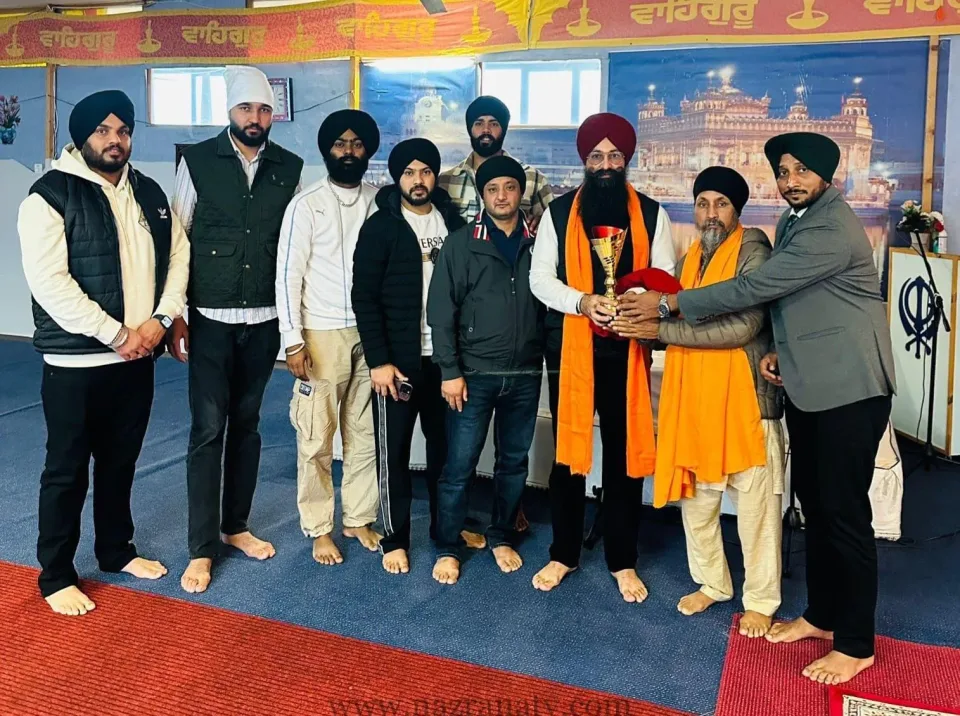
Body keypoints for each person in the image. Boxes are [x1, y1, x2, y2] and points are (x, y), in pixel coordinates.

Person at [625, 132, 896, 685]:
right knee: (816, 508)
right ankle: (822, 616)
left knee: (844, 517)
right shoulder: (797, 221)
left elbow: (761, 288)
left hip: (851, 388)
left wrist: (668, 306)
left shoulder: (830, 226)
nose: (791, 180)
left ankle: (855, 644)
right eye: (784, 170)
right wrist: (779, 351)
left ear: (827, 175)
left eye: (802, 171)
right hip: (809, 384)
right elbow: (798, 304)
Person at [18, 90, 190, 615]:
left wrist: (162, 320)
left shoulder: (148, 192)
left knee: (120, 463)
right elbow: (51, 284)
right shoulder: (49, 196)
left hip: (136, 360)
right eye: (103, 130)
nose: (115, 141)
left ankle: (116, 550)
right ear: (81, 136)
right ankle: (56, 575)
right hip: (77, 364)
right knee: (67, 469)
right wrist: (117, 334)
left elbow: (178, 257)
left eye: (123, 131)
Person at [613, 166, 785, 638]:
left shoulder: (754, 249)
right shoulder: (691, 258)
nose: (711, 213)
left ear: (737, 210)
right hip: (694, 402)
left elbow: (743, 326)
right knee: (698, 501)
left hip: (746, 402)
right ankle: (713, 582)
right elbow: (677, 319)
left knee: (756, 510)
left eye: (721, 204)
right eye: (703, 204)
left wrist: (660, 328)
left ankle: (761, 600)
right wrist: (634, 323)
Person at [528, 112, 677, 602]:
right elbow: (539, 278)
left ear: (627, 159)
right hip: (573, 348)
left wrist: (631, 303)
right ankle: (563, 553)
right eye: (597, 156)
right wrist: (583, 302)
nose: (607, 165)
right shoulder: (558, 213)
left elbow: (664, 278)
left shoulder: (653, 214)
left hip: (628, 350)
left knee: (623, 454)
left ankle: (622, 560)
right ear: (585, 161)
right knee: (567, 454)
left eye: (615, 156)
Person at [170, 66, 304, 594]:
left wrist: (294, 324)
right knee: (208, 431)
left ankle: (236, 527)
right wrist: (175, 313)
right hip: (209, 320)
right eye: (247, 108)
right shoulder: (198, 162)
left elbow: (295, 248)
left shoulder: (289, 168)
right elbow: (178, 240)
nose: (255, 118)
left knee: (248, 427)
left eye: (264, 109)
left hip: (264, 322)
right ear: (230, 111)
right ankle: (201, 549)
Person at [352, 138, 484, 575]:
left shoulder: (454, 223)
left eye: (425, 171)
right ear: (397, 178)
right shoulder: (381, 227)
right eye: (409, 173)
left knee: (447, 455)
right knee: (394, 455)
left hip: (446, 362)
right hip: (398, 364)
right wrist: (379, 361)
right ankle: (394, 538)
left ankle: (448, 531)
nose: (418, 180)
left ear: (434, 175)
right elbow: (364, 298)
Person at [427, 156, 544, 585]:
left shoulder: (539, 244)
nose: (502, 196)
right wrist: (449, 370)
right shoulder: (461, 244)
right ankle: (447, 546)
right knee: (459, 465)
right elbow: (441, 312)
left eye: (510, 187)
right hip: (472, 374)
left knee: (513, 463)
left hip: (525, 375)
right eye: (492, 189)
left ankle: (501, 535)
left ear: (520, 193)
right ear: (482, 195)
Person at [275, 110, 381, 566]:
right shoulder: (306, 204)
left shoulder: (379, 201)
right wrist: (292, 340)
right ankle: (319, 528)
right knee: (317, 437)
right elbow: (287, 275)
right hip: (319, 333)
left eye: (357, 144)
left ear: (368, 150)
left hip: (370, 332)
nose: (349, 151)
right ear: (327, 150)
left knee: (365, 433)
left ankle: (358, 518)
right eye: (340, 143)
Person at [439, 96, 554, 231]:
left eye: (493, 124)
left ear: (503, 130)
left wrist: (541, 224)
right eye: (479, 123)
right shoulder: (446, 181)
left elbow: (554, 227)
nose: (486, 130)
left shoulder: (533, 179)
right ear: (470, 129)